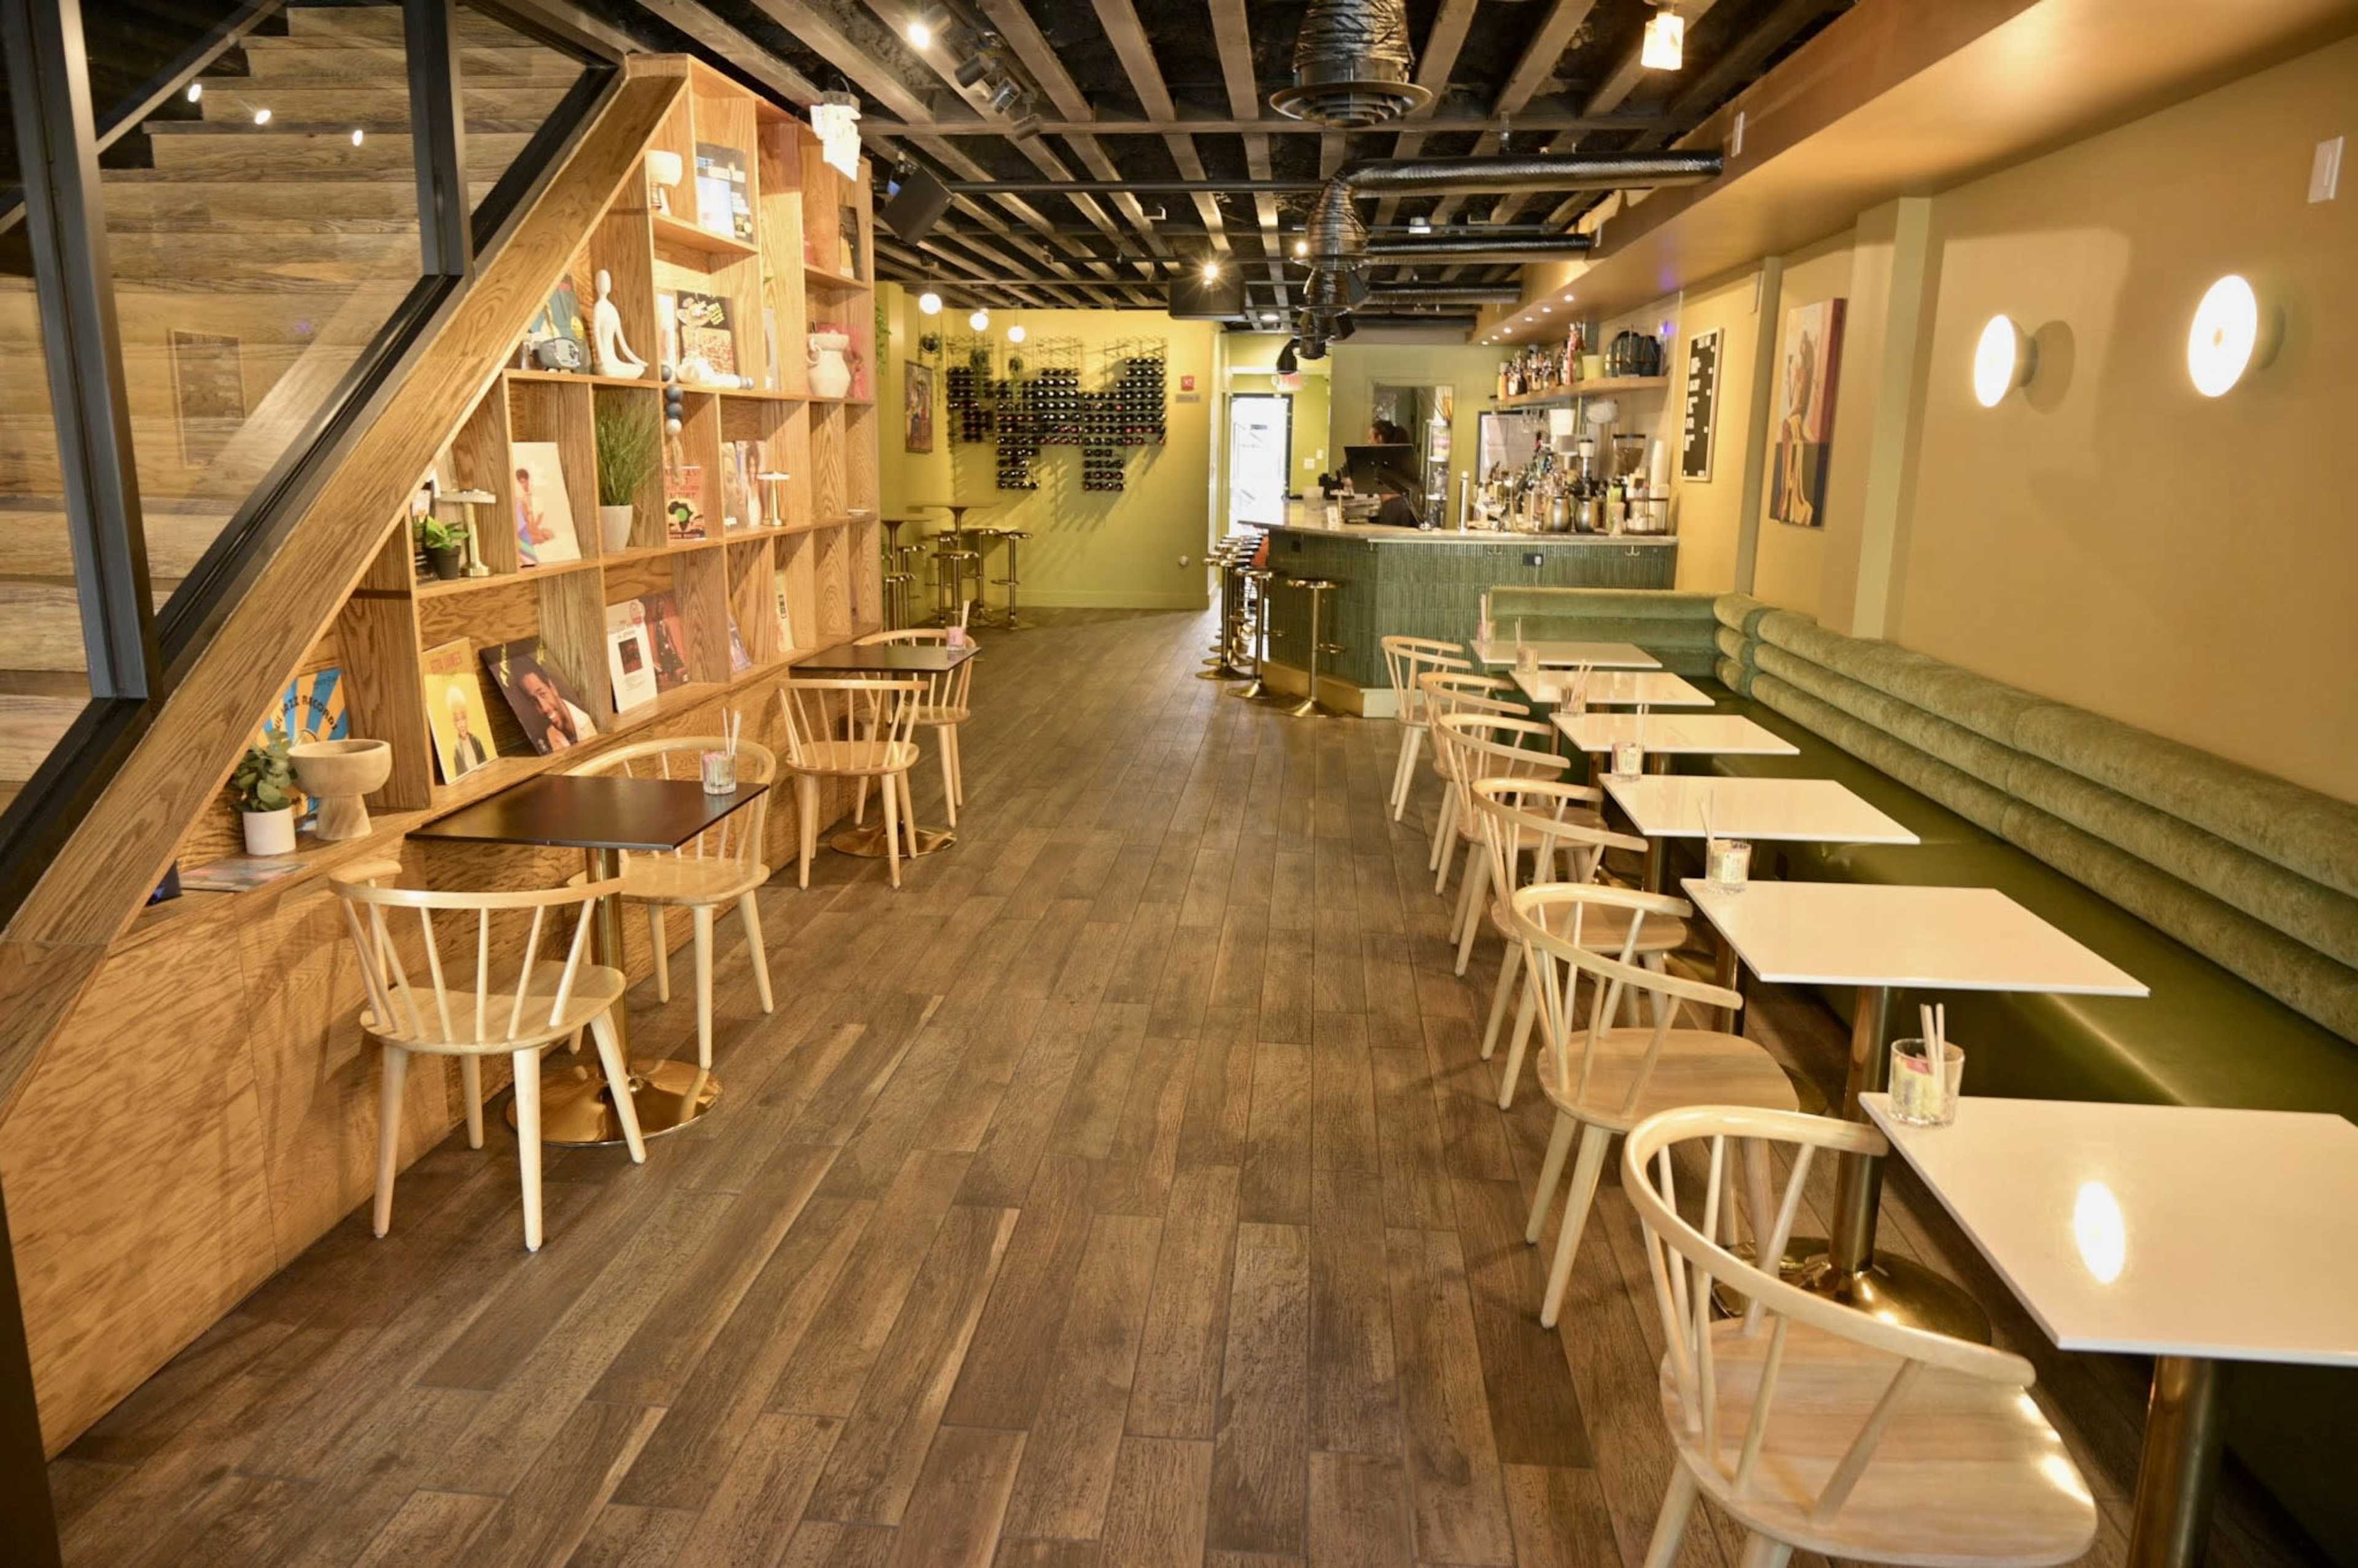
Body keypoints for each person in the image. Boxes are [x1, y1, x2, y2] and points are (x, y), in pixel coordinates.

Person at [512, 656, 595, 752]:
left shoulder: (588, 720)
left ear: (553, 688)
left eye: (543, 694)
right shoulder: (550, 735)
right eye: (534, 701)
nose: (544, 708)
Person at [444, 684, 490, 778]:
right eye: (457, 720)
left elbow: (486, 765)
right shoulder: (457, 749)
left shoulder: (476, 741)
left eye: (463, 718)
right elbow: (459, 775)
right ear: (454, 723)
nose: (462, 725)